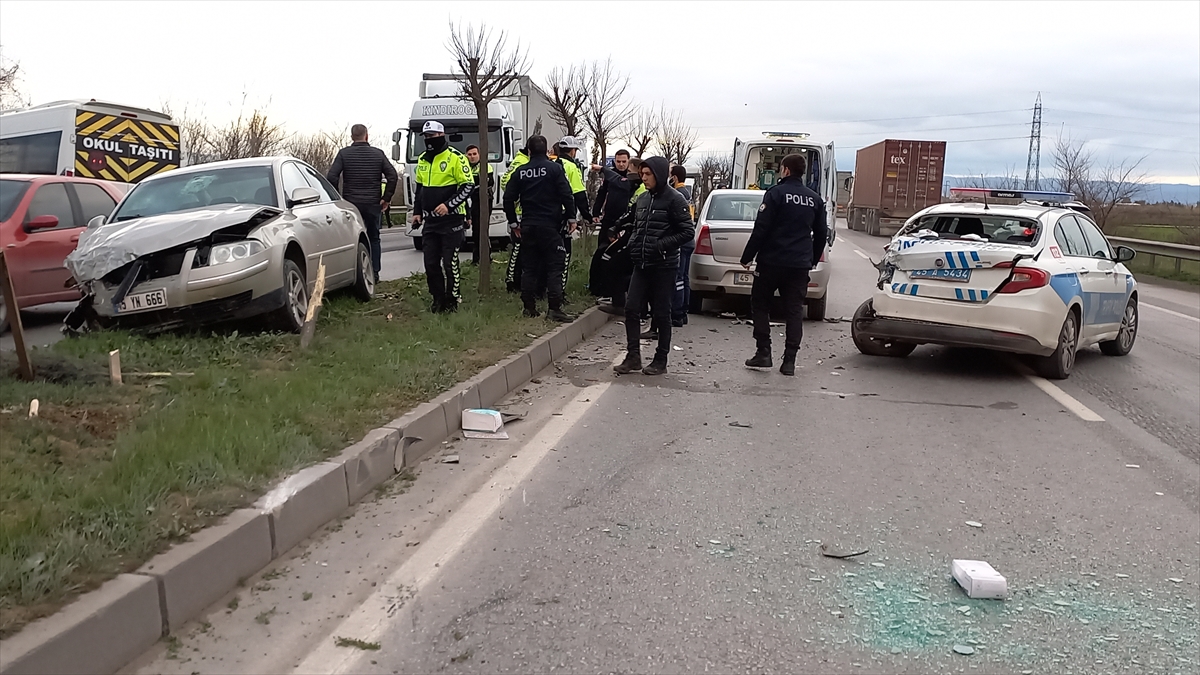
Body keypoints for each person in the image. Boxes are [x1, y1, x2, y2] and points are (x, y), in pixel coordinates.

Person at [739, 153, 828, 376]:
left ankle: (764, 352)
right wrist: (812, 260)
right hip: (799, 264)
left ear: (786, 170)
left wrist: (747, 256)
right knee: (794, 311)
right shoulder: (814, 198)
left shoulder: (775, 194)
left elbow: (762, 228)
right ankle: (789, 361)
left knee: (760, 304)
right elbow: (820, 234)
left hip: (771, 261)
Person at [614, 157, 695, 376]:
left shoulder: (675, 199)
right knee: (631, 308)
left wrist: (660, 245)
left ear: (659, 175)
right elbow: (637, 225)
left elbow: (688, 232)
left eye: (648, 174)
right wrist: (632, 244)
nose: (644, 178)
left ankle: (661, 359)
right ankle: (633, 356)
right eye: (642, 174)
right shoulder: (642, 199)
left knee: (661, 313)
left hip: (664, 265)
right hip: (642, 263)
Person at [502, 135, 576, 322]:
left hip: (528, 226)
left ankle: (529, 308)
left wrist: (513, 223)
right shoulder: (555, 169)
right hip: (550, 226)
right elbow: (566, 194)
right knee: (555, 266)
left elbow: (508, 198)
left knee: (529, 268)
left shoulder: (521, 171)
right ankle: (555, 308)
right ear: (547, 151)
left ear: (528, 151)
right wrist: (571, 217)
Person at [411, 121, 474, 313]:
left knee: (449, 262)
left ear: (442, 135)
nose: (430, 140)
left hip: (452, 220)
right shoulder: (422, 159)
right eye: (427, 137)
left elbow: (468, 186)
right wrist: (417, 212)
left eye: (433, 136)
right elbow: (420, 189)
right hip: (430, 221)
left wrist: (448, 205)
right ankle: (437, 299)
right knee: (430, 263)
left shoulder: (456, 158)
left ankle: (452, 299)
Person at [327, 124, 398, 283]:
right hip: (373, 204)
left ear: (352, 137)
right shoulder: (378, 154)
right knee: (374, 238)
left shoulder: (344, 154)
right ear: (367, 136)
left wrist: (338, 198)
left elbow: (332, 177)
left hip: (351, 205)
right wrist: (386, 198)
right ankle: (375, 273)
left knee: (353, 240)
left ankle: (356, 275)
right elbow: (392, 176)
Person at [553, 136, 593, 299]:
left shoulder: (552, 165)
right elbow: (579, 194)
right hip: (564, 216)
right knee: (564, 253)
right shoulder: (571, 167)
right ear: (572, 150)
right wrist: (587, 216)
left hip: (549, 215)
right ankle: (560, 291)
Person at [500, 146, 530, 293]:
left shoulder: (520, 160)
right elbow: (505, 182)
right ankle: (511, 281)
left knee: (521, 250)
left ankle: (516, 280)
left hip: (521, 213)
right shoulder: (521, 163)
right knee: (517, 249)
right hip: (519, 213)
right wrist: (518, 196)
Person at [465, 144, 495, 265]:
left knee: (481, 230)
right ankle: (478, 258)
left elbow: (489, 182)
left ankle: (483, 257)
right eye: (470, 154)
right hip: (471, 200)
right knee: (475, 230)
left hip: (484, 201)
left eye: (474, 154)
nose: (472, 157)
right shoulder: (465, 167)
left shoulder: (486, 166)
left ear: (479, 155)